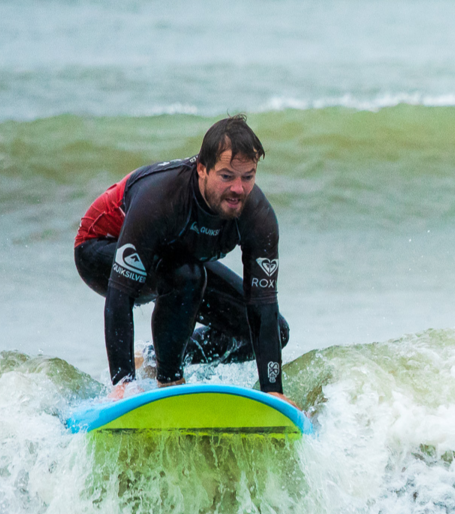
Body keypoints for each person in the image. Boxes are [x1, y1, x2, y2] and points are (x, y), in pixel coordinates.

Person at [73, 114, 295, 405]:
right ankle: (169, 381)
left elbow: (262, 304)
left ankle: (152, 359)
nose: (238, 189)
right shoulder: (161, 197)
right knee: (186, 276)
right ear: (202, 169)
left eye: (248, 176)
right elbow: (120, 294)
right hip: (99, 247)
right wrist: (123, 382)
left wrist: (273, 391)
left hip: (178, 262)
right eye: (226, 176)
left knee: (275, 333)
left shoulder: (258, 217)